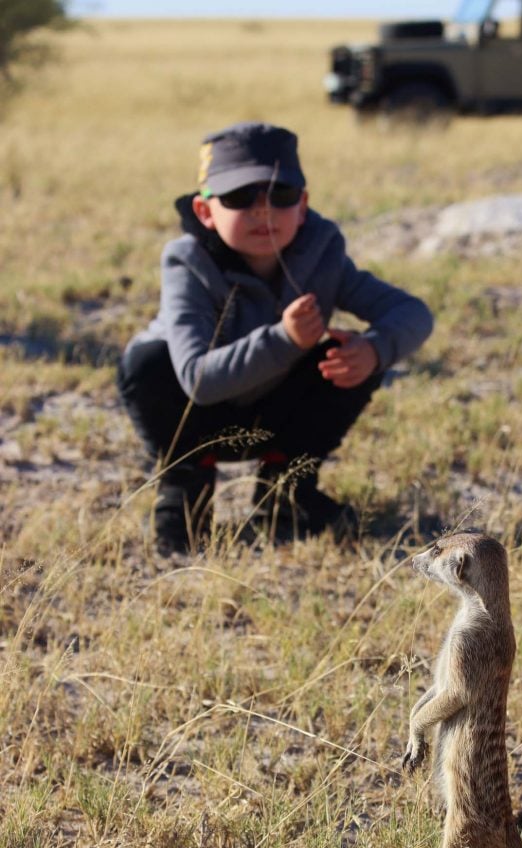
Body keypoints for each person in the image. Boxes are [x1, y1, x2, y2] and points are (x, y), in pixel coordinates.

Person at [117, 121, 433, 554]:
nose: (263, 210)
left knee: (345, 354)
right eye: (240, 197)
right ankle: (185, 488)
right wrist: (284, 338)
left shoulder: (321, 251)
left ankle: (285, 495)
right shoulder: (187, 261)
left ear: (302, 206)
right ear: (205, 211)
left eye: (280, 195)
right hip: (199, 420)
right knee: (148, 362)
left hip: (273, 411)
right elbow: (197, 380)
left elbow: (412, 313)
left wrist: (374, 350)